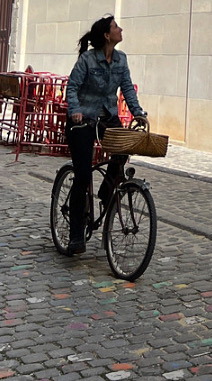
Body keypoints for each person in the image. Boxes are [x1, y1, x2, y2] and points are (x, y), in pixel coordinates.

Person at [63, 15, 148, 255]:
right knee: (81, 176)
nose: (120, 29)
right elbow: (72, 87)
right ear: (106, 35)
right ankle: (76, 235)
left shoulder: (121, 59)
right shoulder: (87, 60)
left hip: (107, 116)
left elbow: (128, 88)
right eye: (115, 27)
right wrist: (75, 110)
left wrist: (138, 113)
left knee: (123, 150)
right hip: (83, 118)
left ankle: (106, 190)